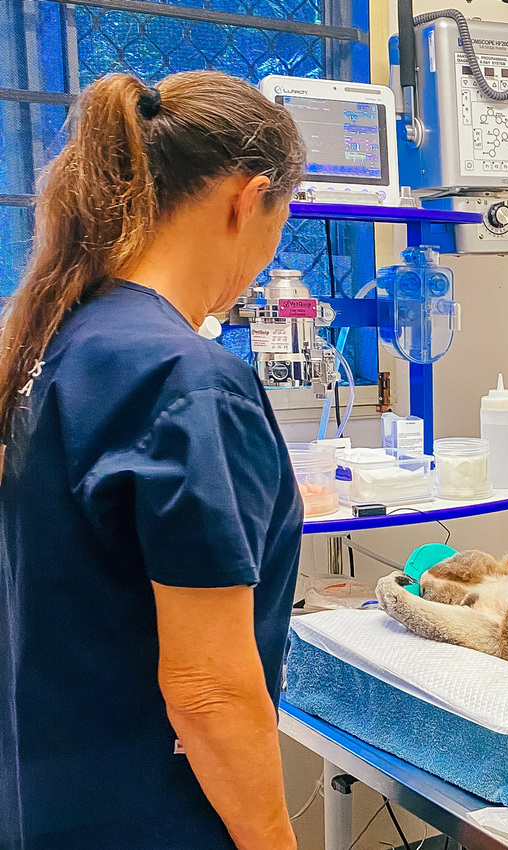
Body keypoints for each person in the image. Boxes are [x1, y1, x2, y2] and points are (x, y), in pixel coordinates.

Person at [0, 71, 306, 848]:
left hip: (54, 789)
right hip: (153, 808)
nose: (270, 256)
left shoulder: (56, 339)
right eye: (284, 219)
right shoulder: (188, 379)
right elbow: (207, 692)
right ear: (248, 199)